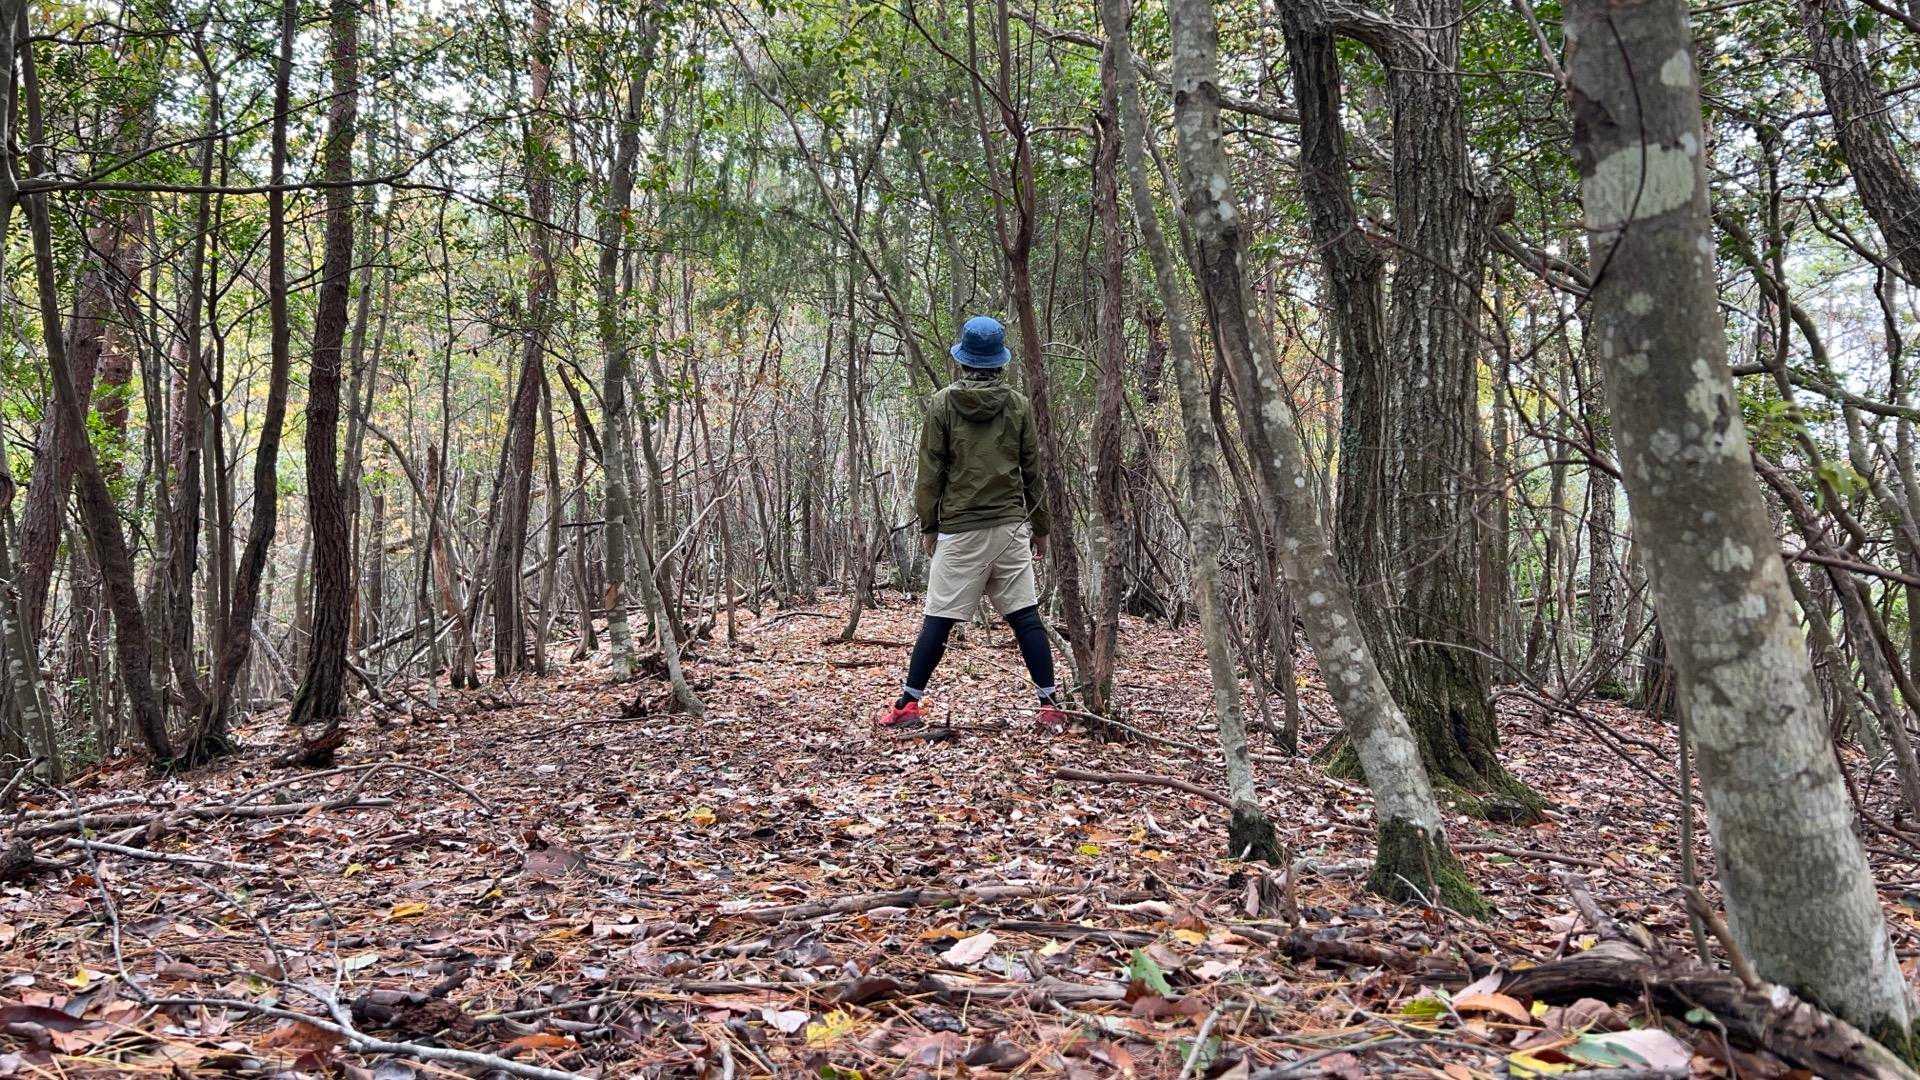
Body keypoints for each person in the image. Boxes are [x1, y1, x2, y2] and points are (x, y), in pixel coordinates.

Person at [880, 315, 1066, 728]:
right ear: (999, 362)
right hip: (1010, 527)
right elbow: (1033, 471)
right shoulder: (1017, 405)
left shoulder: (943, 403)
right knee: (1025, 616)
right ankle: (1050, 704)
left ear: (963, 360)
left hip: (960, 527)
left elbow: (930, 473)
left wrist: (929, 526)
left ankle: (908, 705)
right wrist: (1041, 528)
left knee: (939, 618)